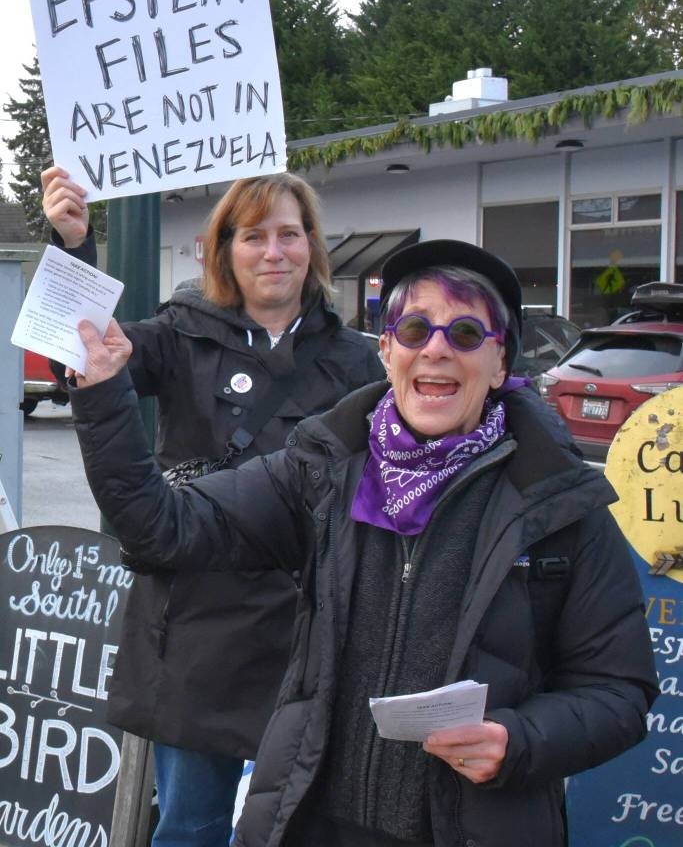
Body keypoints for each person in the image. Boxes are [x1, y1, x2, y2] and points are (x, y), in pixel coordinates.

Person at [65, 238, 658, 847]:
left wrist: (520, 740)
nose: (435, 348)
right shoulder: (321, 469)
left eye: (464, 335)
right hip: (310, 824)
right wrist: (105, 393)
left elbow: (618, 691)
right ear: (386, 350)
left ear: (501, 363)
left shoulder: (560, 505)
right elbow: (160, 528)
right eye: (415, 328)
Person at [41, 166, 386, 846]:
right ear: (223, 249)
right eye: (253, 235)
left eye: (290, 234)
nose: (273, 251)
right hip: (199, 631)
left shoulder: (359, 362)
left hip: (314, 632)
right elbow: (74, 349)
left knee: (310, 826)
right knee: (191, 826)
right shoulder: (178, 336)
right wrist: (74, 245)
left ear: (313, 247)